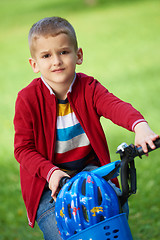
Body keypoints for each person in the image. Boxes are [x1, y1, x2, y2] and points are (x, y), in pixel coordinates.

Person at [13, 17, 159, 239]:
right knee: (61, 229)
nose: (56, 61)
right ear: (34, 64)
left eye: (63, 52)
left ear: (78, 55)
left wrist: (140, 127)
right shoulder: (27, 99)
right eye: (46, 56)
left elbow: (115, 106)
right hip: (49, 184)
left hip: (90, 174)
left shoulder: (89, 88)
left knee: (113, 210)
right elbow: (22, 149)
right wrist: (51, 173)